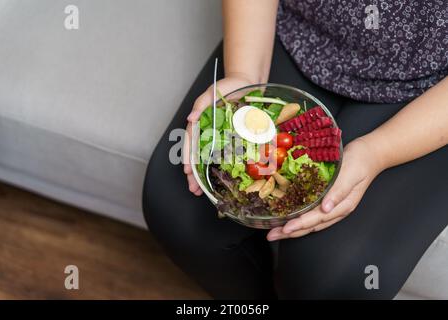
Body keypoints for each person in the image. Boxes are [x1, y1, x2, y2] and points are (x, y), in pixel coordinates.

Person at [143, 0, 448, 299]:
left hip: (429, 90)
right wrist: (244, 78)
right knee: (179, 212)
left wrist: (376, 153)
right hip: (298, 32)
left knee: (333, 275)